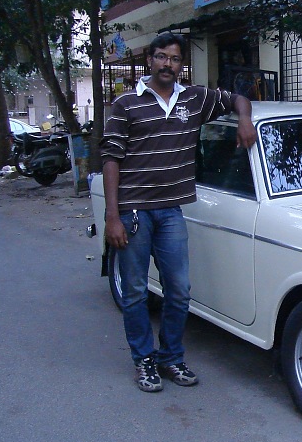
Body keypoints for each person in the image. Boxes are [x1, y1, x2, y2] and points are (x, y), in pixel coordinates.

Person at [100, 32, 256, 392]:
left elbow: (237, 98)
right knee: (137, 292)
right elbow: (111, 159)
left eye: (173, 58)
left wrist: (244, 118)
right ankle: (144, 361)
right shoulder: (126, 104)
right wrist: (113, 216)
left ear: (180, 64)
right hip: (134, 212)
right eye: (161, 57)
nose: (167, 64)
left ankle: (171, 357)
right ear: (149, 61)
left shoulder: (195, 98)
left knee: (180, 290)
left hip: (171, 212)